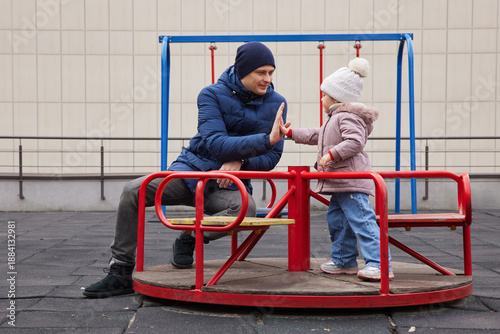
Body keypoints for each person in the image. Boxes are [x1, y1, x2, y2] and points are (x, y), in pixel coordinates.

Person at [83, 42, 288, 298]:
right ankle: (121, 271)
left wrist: (243, 163)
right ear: (242, 70)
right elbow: (216, 143)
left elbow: (273, 156)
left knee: (246, 209)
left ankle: (190, 237)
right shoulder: (211, 94)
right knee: (134, 190)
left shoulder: (277, 103)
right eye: (261, 72)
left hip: (225, 184)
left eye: (271, 72)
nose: (267, 79)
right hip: (193, 172)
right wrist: (263, 141)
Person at [280, 57, 393, 282]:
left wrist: (331, 155)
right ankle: (344, 259)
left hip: (350, 180)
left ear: (335, 97)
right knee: (338, 222)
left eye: (324, 94)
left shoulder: (347, 117)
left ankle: (379, 264)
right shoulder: (335, 119)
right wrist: (291, 134)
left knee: (363, 222)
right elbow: (316, 135)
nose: (321, 98)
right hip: (340, 182)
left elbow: (355, 142)